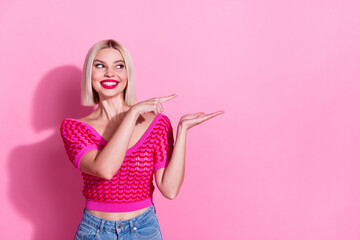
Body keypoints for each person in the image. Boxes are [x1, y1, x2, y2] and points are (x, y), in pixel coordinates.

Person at [60, 39, 224, 240]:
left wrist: (182, 130)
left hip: (144, 229)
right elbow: (105, 169)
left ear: (127, 74)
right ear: (90, 75)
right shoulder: (74, 128)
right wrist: (133, 113)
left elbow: (169, 189)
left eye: (119, 66)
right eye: (100, 66)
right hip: (95, 232)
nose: (110, 73)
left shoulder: (157, 124)